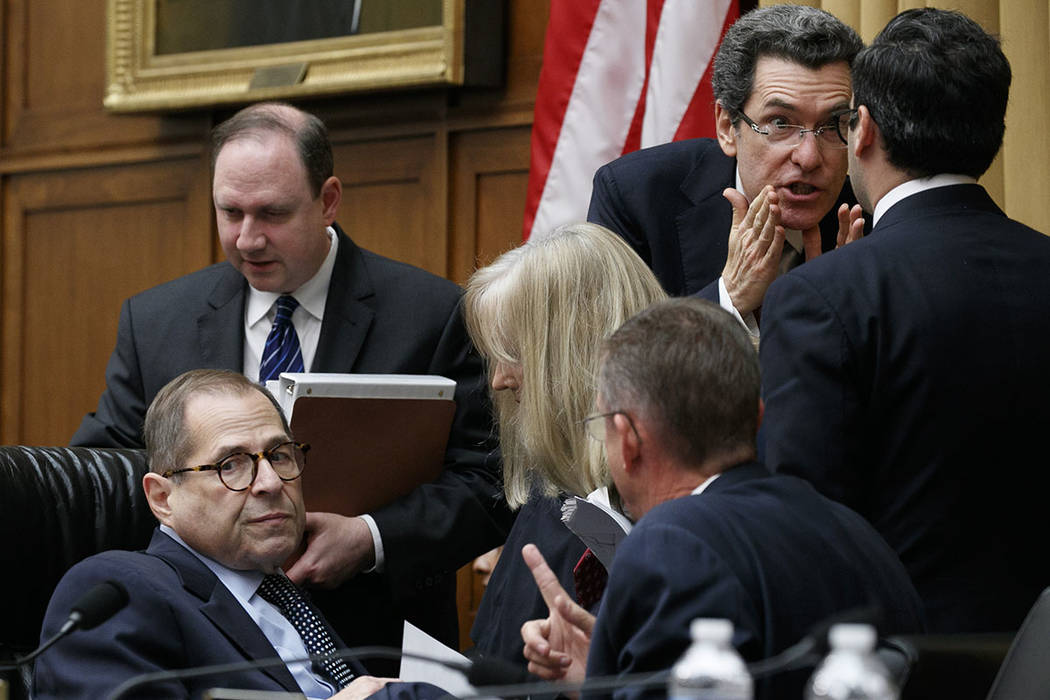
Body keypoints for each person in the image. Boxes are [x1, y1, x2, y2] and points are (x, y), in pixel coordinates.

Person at [69, 102, 511, 651]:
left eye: (272, 214)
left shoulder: (432, 313)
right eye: (230, 213)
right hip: (201, 638)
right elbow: (102, 474)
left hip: (373, 640)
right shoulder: (156, 321)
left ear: (328, 201)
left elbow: (491, 481)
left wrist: (372, 538)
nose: (248, 239)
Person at [759, 8, 1050, 633]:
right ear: (992, 133)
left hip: (901, 667)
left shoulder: (822, 296)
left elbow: (801, 531)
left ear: (861, 130)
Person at [521, 299, 925, 700]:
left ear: (628, 440)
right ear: (759, 417)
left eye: (602, 427)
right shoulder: (860, 535)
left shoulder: (668, 545)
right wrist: (606, 677)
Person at [34, 370, 441, 699]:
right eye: (231, 464)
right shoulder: (120, 589)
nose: (270, 482)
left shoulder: (294, 593)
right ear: (162, 497)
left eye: (279, 455)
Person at [588, 4, 866, 340]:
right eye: (780, 123)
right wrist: (728, 299)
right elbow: (604, 366)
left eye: (832, 124)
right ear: (726, 127)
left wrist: (850, 325)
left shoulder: (869, 220)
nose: (808, 157)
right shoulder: (636, 197)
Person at [462, 223, 666, 666]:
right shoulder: (552, 495)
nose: (499, 379)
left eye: (514, 351)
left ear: (570, 354)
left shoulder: (663, 513)